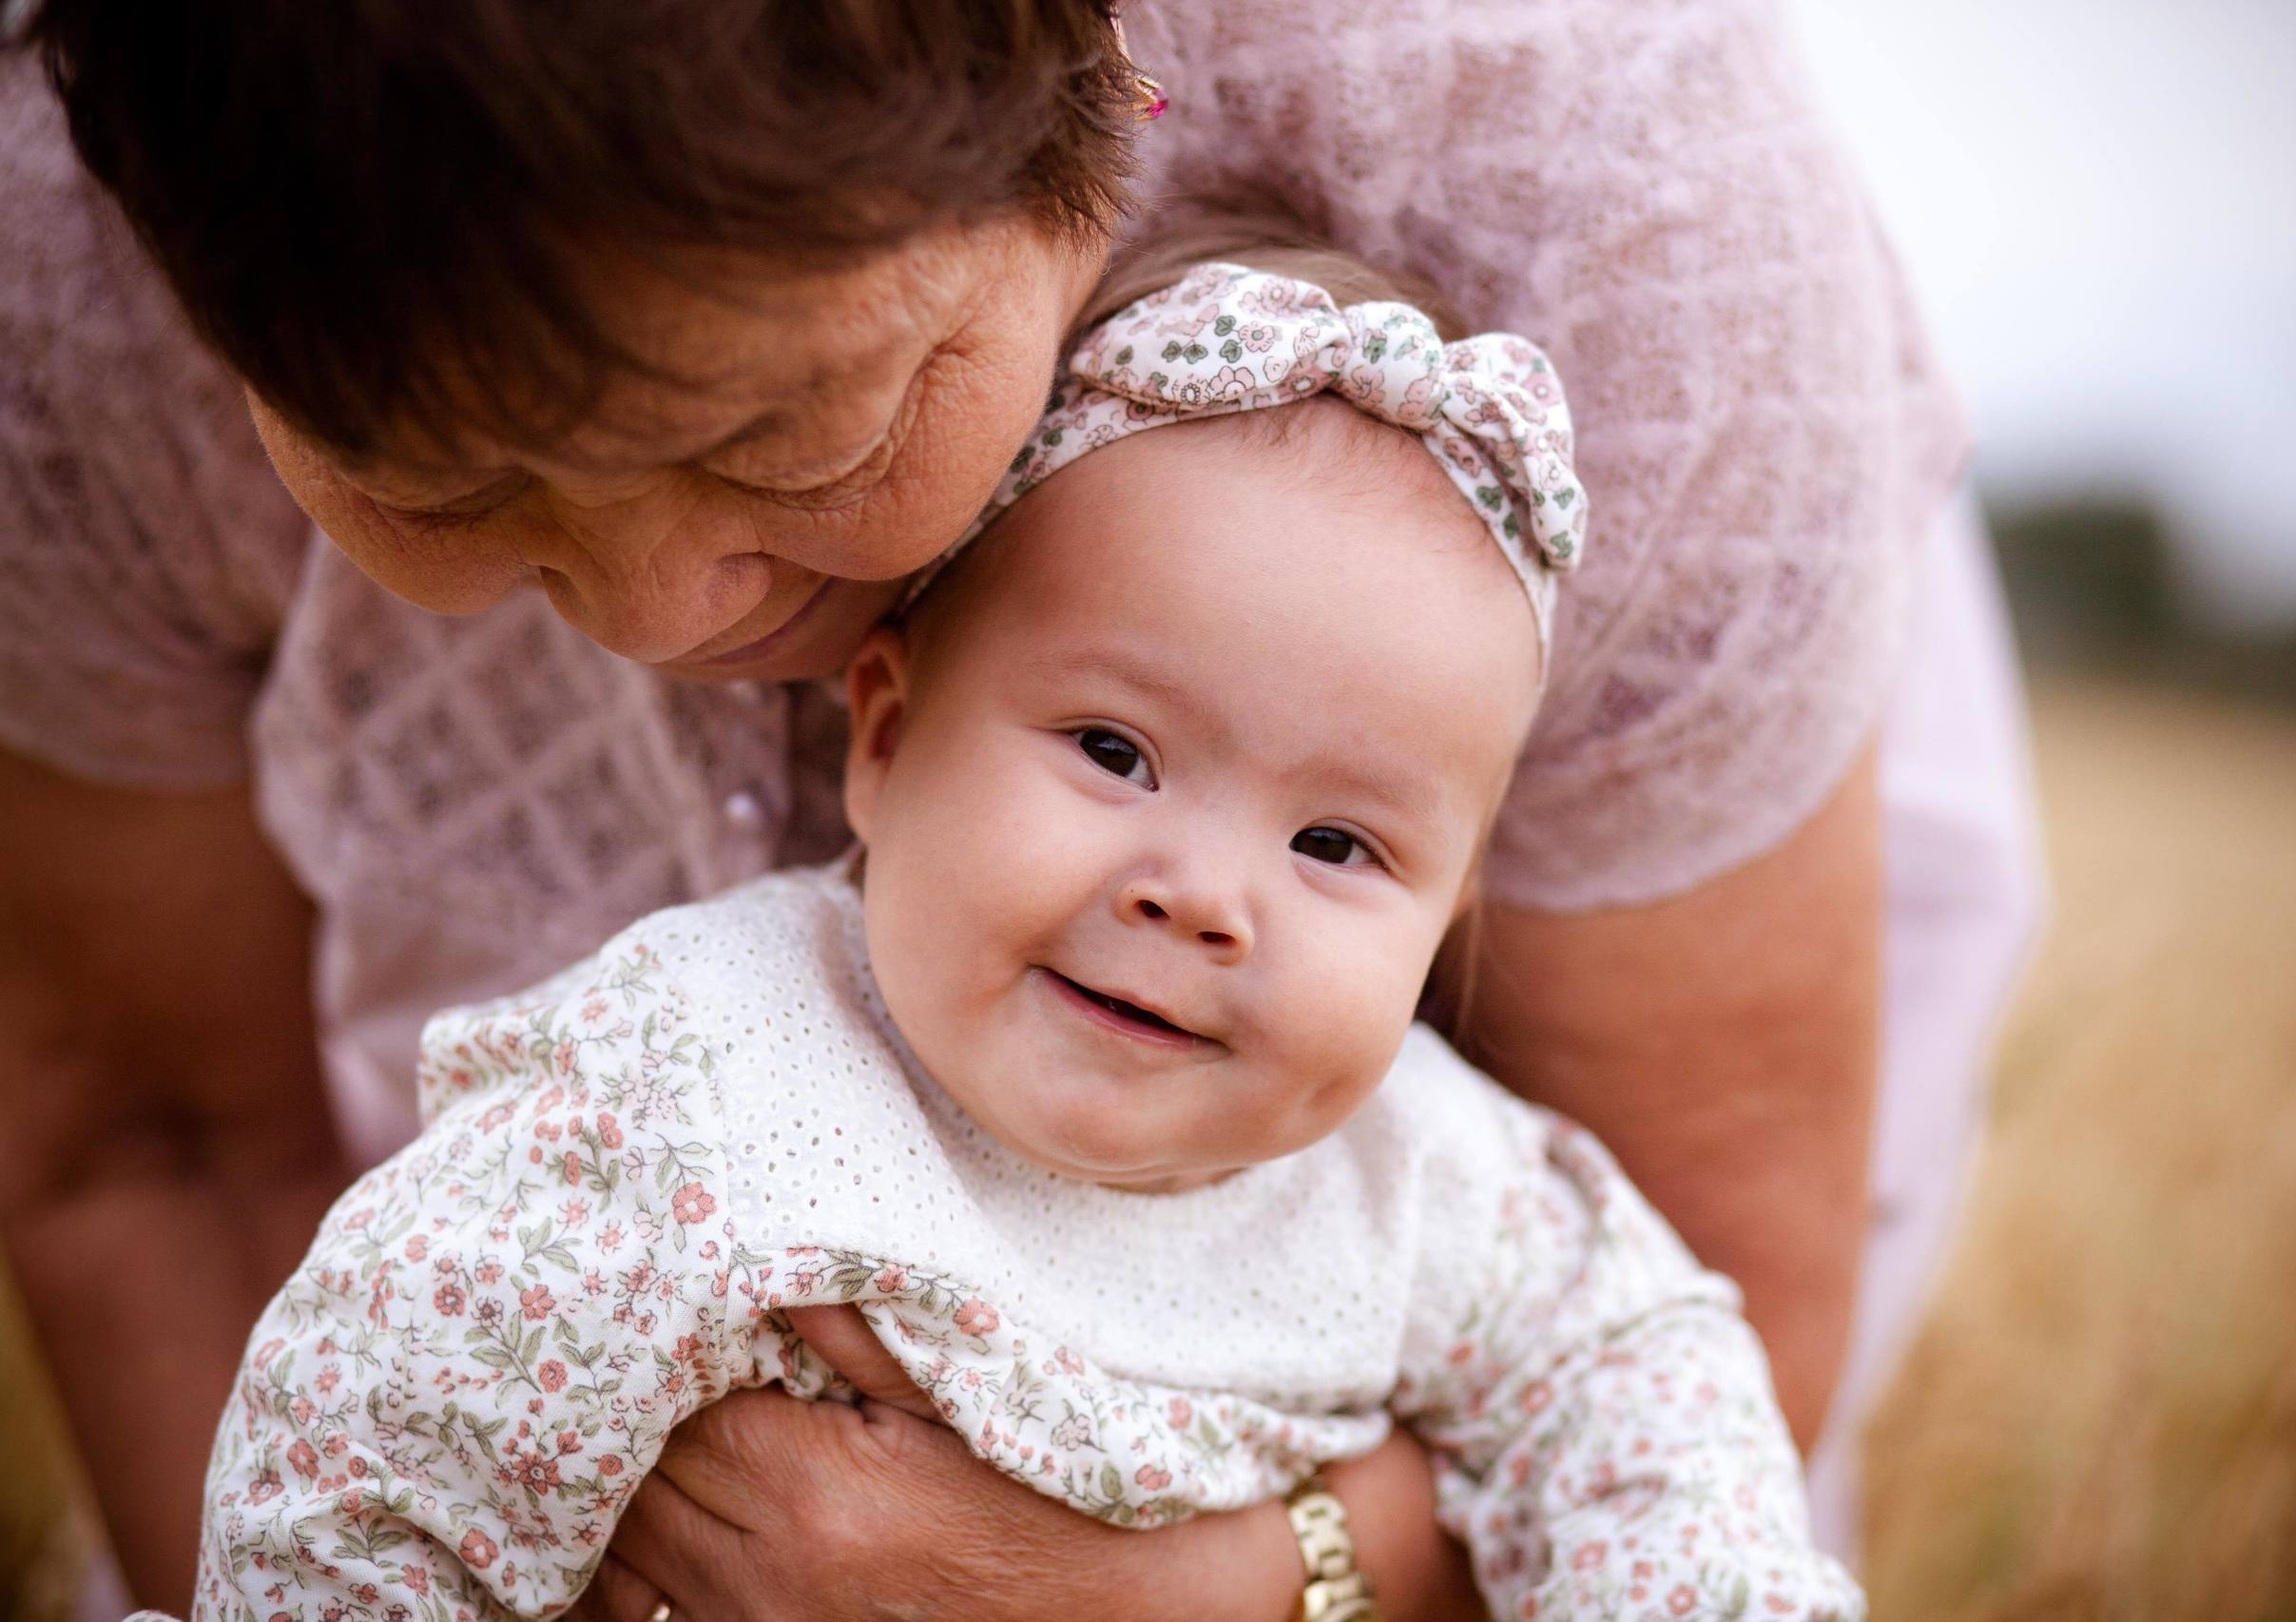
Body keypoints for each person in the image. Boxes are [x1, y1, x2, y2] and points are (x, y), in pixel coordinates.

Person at [0, 1, 2037, 1613]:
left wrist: (1252, 1591)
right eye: (432, 482)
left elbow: (1683, 1371)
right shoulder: (671, 1090)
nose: (653, 618)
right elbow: (211, 1238)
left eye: (812, 427)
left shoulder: (1600, 166)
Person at [177, 261, 1859, 1622]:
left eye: (1337, 844)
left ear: (1447, 918)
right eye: (1116, 752)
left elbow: (1643, 1391)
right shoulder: (696, 1085)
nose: (1204, 894)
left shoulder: (1428, 1181)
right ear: (889, 737)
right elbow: (363, 1469)